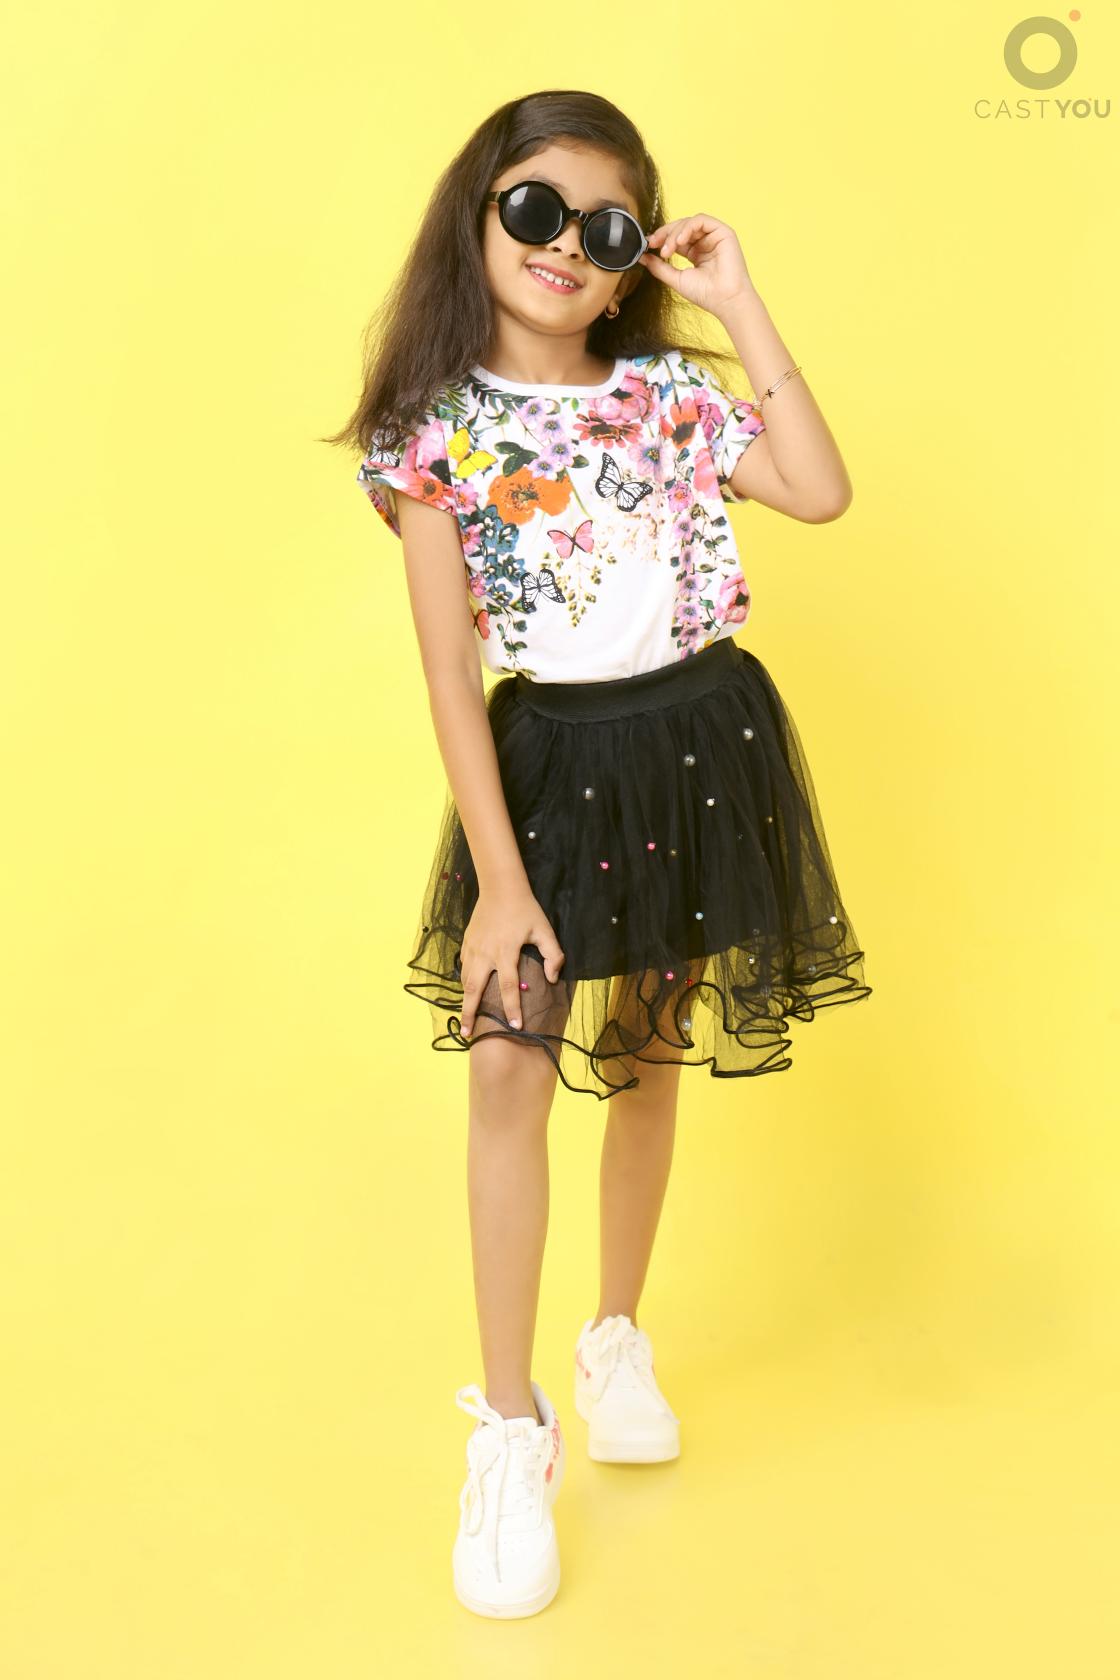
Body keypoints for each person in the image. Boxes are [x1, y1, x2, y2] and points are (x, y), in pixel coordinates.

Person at [329, 89, 873, 1619]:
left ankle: (614, 1337)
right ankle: (511, 1431)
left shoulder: (673, 397)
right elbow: (450, 675)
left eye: (607, 227)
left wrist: (738, 302)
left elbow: (821, 490)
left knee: (648, 1049)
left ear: (637, 258)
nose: (567, 244)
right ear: (477, 216)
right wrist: (501, 879)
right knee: (510, 1066)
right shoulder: (430, 433)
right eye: (536, 210)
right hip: (550, 760)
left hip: (694, 738)